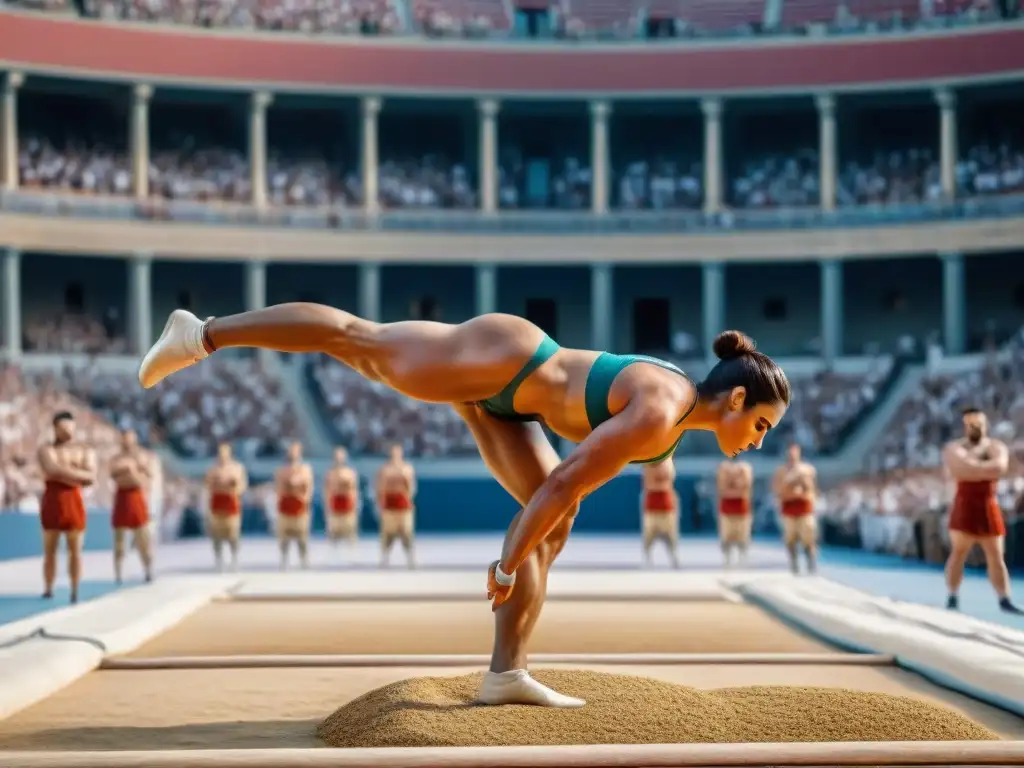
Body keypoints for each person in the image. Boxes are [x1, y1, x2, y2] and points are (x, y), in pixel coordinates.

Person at [139, 305, 790, 708]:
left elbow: (575, 480)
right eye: (761, 426)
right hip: (504, 359)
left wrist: (525, 545)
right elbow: (563, 480)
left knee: (551, 532)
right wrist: (506, 560)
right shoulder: (661, 411)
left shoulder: (671, 419)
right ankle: (203, 333)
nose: (758, 443)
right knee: (358, 340)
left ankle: (506, 673)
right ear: (734, 401)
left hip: (508, 401)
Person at [942, 407, 1022, 614]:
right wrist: (983, 469)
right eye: (971, 423)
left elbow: (999, 467)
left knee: (996, 555)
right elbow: (959, 469)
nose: (975, 427)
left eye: (978, 423)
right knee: (959, 553)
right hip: (965, 504)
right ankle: (952, 595)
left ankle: (1004, 599)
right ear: (965, 425)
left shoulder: (996, 446)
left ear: (985, 424)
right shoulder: (954, 447)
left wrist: (972, 467)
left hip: (988, 504)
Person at [37, 412, 96, 603]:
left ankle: (75, 588)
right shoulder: (46, 449)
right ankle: (48, 587)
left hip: (74, 501)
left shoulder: (84, 450)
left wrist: (63, 472)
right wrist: (78, 473)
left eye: (70, 428)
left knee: (76, 549)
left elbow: (91, 477)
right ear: (55, 428)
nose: (68, 432)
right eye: (63, 428)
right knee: (50, 549)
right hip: (53, 499)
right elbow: (50, 469)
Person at [109, 429, 154, 584]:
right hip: (122, 498)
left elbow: (145, 478)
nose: (127, 442)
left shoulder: (142, 457)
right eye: (125, 439)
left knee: (143, 538)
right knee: (119, 541)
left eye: (130, 439)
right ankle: (118, 572)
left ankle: (148, 569)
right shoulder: (117, 459)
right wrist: (130, 473)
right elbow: (115, 475)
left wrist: (132, 473)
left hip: (136, 498)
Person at [773, 444, 817, 575]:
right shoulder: (781, 472)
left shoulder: (807, 470)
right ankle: (794, 562)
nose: (792, 457)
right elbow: (779, 491)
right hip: (788, 509)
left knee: (808, 537)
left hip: (804, 508)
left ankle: (810, 560)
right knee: (790, 538)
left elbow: (810, 489)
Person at [204, 442, 248, 572]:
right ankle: (219, 559)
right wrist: (220, 484)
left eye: (225, 453)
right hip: (217, 504)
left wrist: (231, 486)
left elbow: (242, 486)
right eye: (220, 453)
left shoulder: (237, 468)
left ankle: (234, 558)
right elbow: (208, 486)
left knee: (233, 534)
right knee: (216, 535)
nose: (222, 456)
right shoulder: (212, 470)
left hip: (231, 504)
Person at [376, 443, 417, 568]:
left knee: (407, 533)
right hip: (389, 504)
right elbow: (380, 487)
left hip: (403, 504)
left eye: (398, 452)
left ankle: (410, 558)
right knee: (387, 534)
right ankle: (385, 557)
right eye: (393, 452)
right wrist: (380, 504)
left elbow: (411, 487)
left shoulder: (407, 468)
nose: (395, 455)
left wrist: (408, 500)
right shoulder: (385, 469)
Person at [275, 441, 313, 570]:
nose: (293, 454)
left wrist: (304, 499)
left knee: (302, 537)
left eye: (296, 451)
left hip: (300, 507)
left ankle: (303, 559)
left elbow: (308, 488)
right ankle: (284, 559)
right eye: (291, 451)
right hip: (286, 507)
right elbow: (279, 488)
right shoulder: (281, 471)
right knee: (284, 537)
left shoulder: (305, 469)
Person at [640, 458, 679, 568]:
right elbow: (650, 484)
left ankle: (673, 557)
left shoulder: (668, 462)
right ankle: (647, 558)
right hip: (652, 506)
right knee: (649, 536)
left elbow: (667, 483)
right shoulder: (648, 466)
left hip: (666, 505)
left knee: (670, 536)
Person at [716, 457, 753, 568]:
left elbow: (745, 489)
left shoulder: (745, 468)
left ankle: (742, 558)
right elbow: (722, 489)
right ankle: (727, 559)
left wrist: (732, 482)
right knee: (726, 537)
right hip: (726, 510)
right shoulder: (723, 468)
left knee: (743, 537)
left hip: (742, 510)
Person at [324, 446, 360, 547]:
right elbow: (327, 491)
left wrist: (355, 506)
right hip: (334, 508)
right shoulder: (330, 474)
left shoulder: (350, 473)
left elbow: (354, 491)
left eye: (341, 456)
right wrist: (327, 508)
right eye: (337, 456)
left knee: (350, 537)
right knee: (333, 538)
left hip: (348, 508)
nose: (339, 458)